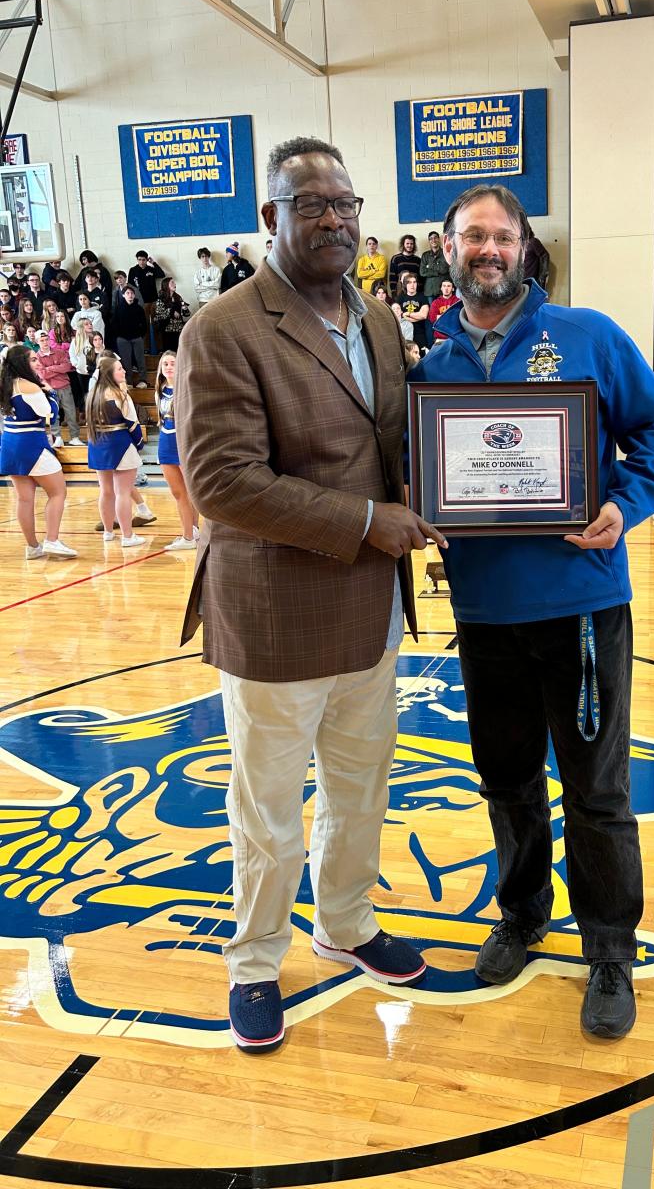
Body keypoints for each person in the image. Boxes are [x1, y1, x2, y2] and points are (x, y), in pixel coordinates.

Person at [176, 135, 443, 1055]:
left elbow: (395, 442)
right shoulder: (223, 329)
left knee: (362, 787)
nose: (334, 219)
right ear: (270, 219)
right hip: (276, 615)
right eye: (312, 205)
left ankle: (346, 923)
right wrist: (370, 520)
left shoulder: (377, 318)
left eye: (346, 203)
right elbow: (224, 484)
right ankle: (255, 960)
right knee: (269, 807)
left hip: (370, 607)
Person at [408, 181, 654, 1040]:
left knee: (596, 790)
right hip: (485, 612)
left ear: (525, 248)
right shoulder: (430, 360)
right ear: (447, 250)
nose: (487, 250)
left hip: (580, 604)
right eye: (471, 238)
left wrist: (627, 504)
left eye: (502, 236)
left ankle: (609, 947)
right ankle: (523, 912)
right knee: (507, 780)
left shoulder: (589, 336)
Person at [0, 344, 77, 559]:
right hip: (30, 443)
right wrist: (50, 393)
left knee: (24, 499)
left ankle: (33, 547)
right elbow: (49, 415)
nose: (37, 362)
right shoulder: (28, 385)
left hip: (9, 442)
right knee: (58, 492)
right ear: (22, 363)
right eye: (33, 359)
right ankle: (52, 540)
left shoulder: (6, 384)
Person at [86, 352, 147, 548]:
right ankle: (128, 536)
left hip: (97, 445)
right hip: (120, 444)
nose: (124, 371)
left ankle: (108, 533)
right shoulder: (121, 395)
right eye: (120, 369)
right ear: (110, 374)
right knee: (122, 492)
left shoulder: (92, 396)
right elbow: (133, 425)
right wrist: (139, 445)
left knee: (105, 491)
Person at [154, 350, 198, 552]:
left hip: (183, 442)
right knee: (178, 492)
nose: (169, 367)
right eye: (165, 364)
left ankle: (189, 536)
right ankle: (192, 532)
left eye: (172, 363)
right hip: (165, 442)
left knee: (188, 492)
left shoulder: (186, 387)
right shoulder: (160, 390)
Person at [36, 329, 82, 447]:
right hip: (50, 389)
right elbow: (43, 374)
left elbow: (67, 366)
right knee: (54, 414)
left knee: (71, 412)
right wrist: (57, 368)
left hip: (64, 386)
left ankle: (75, 437)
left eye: (46, 339)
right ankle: (57, 437)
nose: (45, 342)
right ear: (37, 342)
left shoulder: (59, 352)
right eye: (42, 340)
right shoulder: (37, 357)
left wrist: (50, 368)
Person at [113, 286, 149, 386]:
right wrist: (119, 335)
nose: (130, 295)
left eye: (132, 293)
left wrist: (140, 335)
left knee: (140, 359)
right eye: (128, 293)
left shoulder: (139, 308)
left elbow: (144, 324)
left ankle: (143, 380)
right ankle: (128, 382)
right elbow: (114, 324)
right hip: (123, 339)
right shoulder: (118, 308)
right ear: (123, 295)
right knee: (126, 361)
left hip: (137, 337)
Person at [392, 273, 429, 355]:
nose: (412, 285)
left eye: (414, 282)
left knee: (421, 355)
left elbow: (423, 315)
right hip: (404, 331)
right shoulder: (400, 298)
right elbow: (397, 314)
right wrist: (416, 316)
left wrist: (407, 314)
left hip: (419, 332)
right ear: (405, 285)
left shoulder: (422, 297)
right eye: (409, 282)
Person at [128, 250, 165, 328]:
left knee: (156, 324)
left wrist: (154, 263)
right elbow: (130, 286)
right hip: (141, 302)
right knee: (145, 325)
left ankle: (157, 340)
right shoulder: (133, 270)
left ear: (147, 259)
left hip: (153, 300)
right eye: (139, 260)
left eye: (143, 260)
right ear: (137, 260)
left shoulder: (151, 269)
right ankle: (146, 340)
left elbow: (162, 274)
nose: (141, 262)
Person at [154, 277, 191, 353]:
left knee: (178, 351)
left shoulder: (178, 297)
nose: (175, 284)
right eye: (172, 283)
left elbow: (186, 314)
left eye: (174, 282)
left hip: (178, 329)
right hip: (167, 329)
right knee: (169, 352)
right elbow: (159, 314)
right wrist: (171, 311)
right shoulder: (161, 298)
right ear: (166, 285)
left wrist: (185, 309)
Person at [419, 230, 450, 300]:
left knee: (446, 310)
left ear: (439, 239)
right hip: (430, 291)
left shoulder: (445, 253)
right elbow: (422, 272)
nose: (433, 240)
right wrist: (437, 272)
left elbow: (444, 269)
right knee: (432, 311)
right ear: (429, 241)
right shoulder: (425, 255)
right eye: (431, 238)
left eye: (435, 238)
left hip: (444, 289)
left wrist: (429, 267)